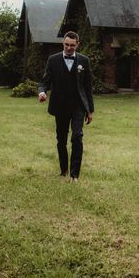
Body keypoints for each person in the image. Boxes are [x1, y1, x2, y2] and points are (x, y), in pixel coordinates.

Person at [38, 31, 94, 182]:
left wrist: (90, 111)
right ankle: (64, 170)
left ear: (78, 45)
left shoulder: (84, 61)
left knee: (77, 137)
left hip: (78, 106)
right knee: (61, 140)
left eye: (72, 45)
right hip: (60, 106)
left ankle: (74, 175)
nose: (69, 48)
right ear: (63, 43)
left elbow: (88, 87)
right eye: (66, 45)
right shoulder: (53, 60)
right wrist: (42, 92)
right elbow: (45, 81)